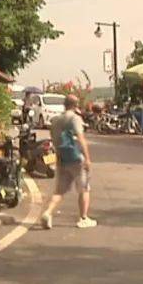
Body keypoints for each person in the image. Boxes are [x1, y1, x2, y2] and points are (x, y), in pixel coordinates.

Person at [40, 94, 96, 230]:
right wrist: (87, 159)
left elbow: (54, 140)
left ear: (64, 105)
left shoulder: (56, 120)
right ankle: (83, 218)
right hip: (76, 158)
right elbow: (81, 139)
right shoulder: (74, 118)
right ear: (76, 105)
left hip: (62, 159)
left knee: (59, 191)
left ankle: (47, 213)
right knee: (83, 188)